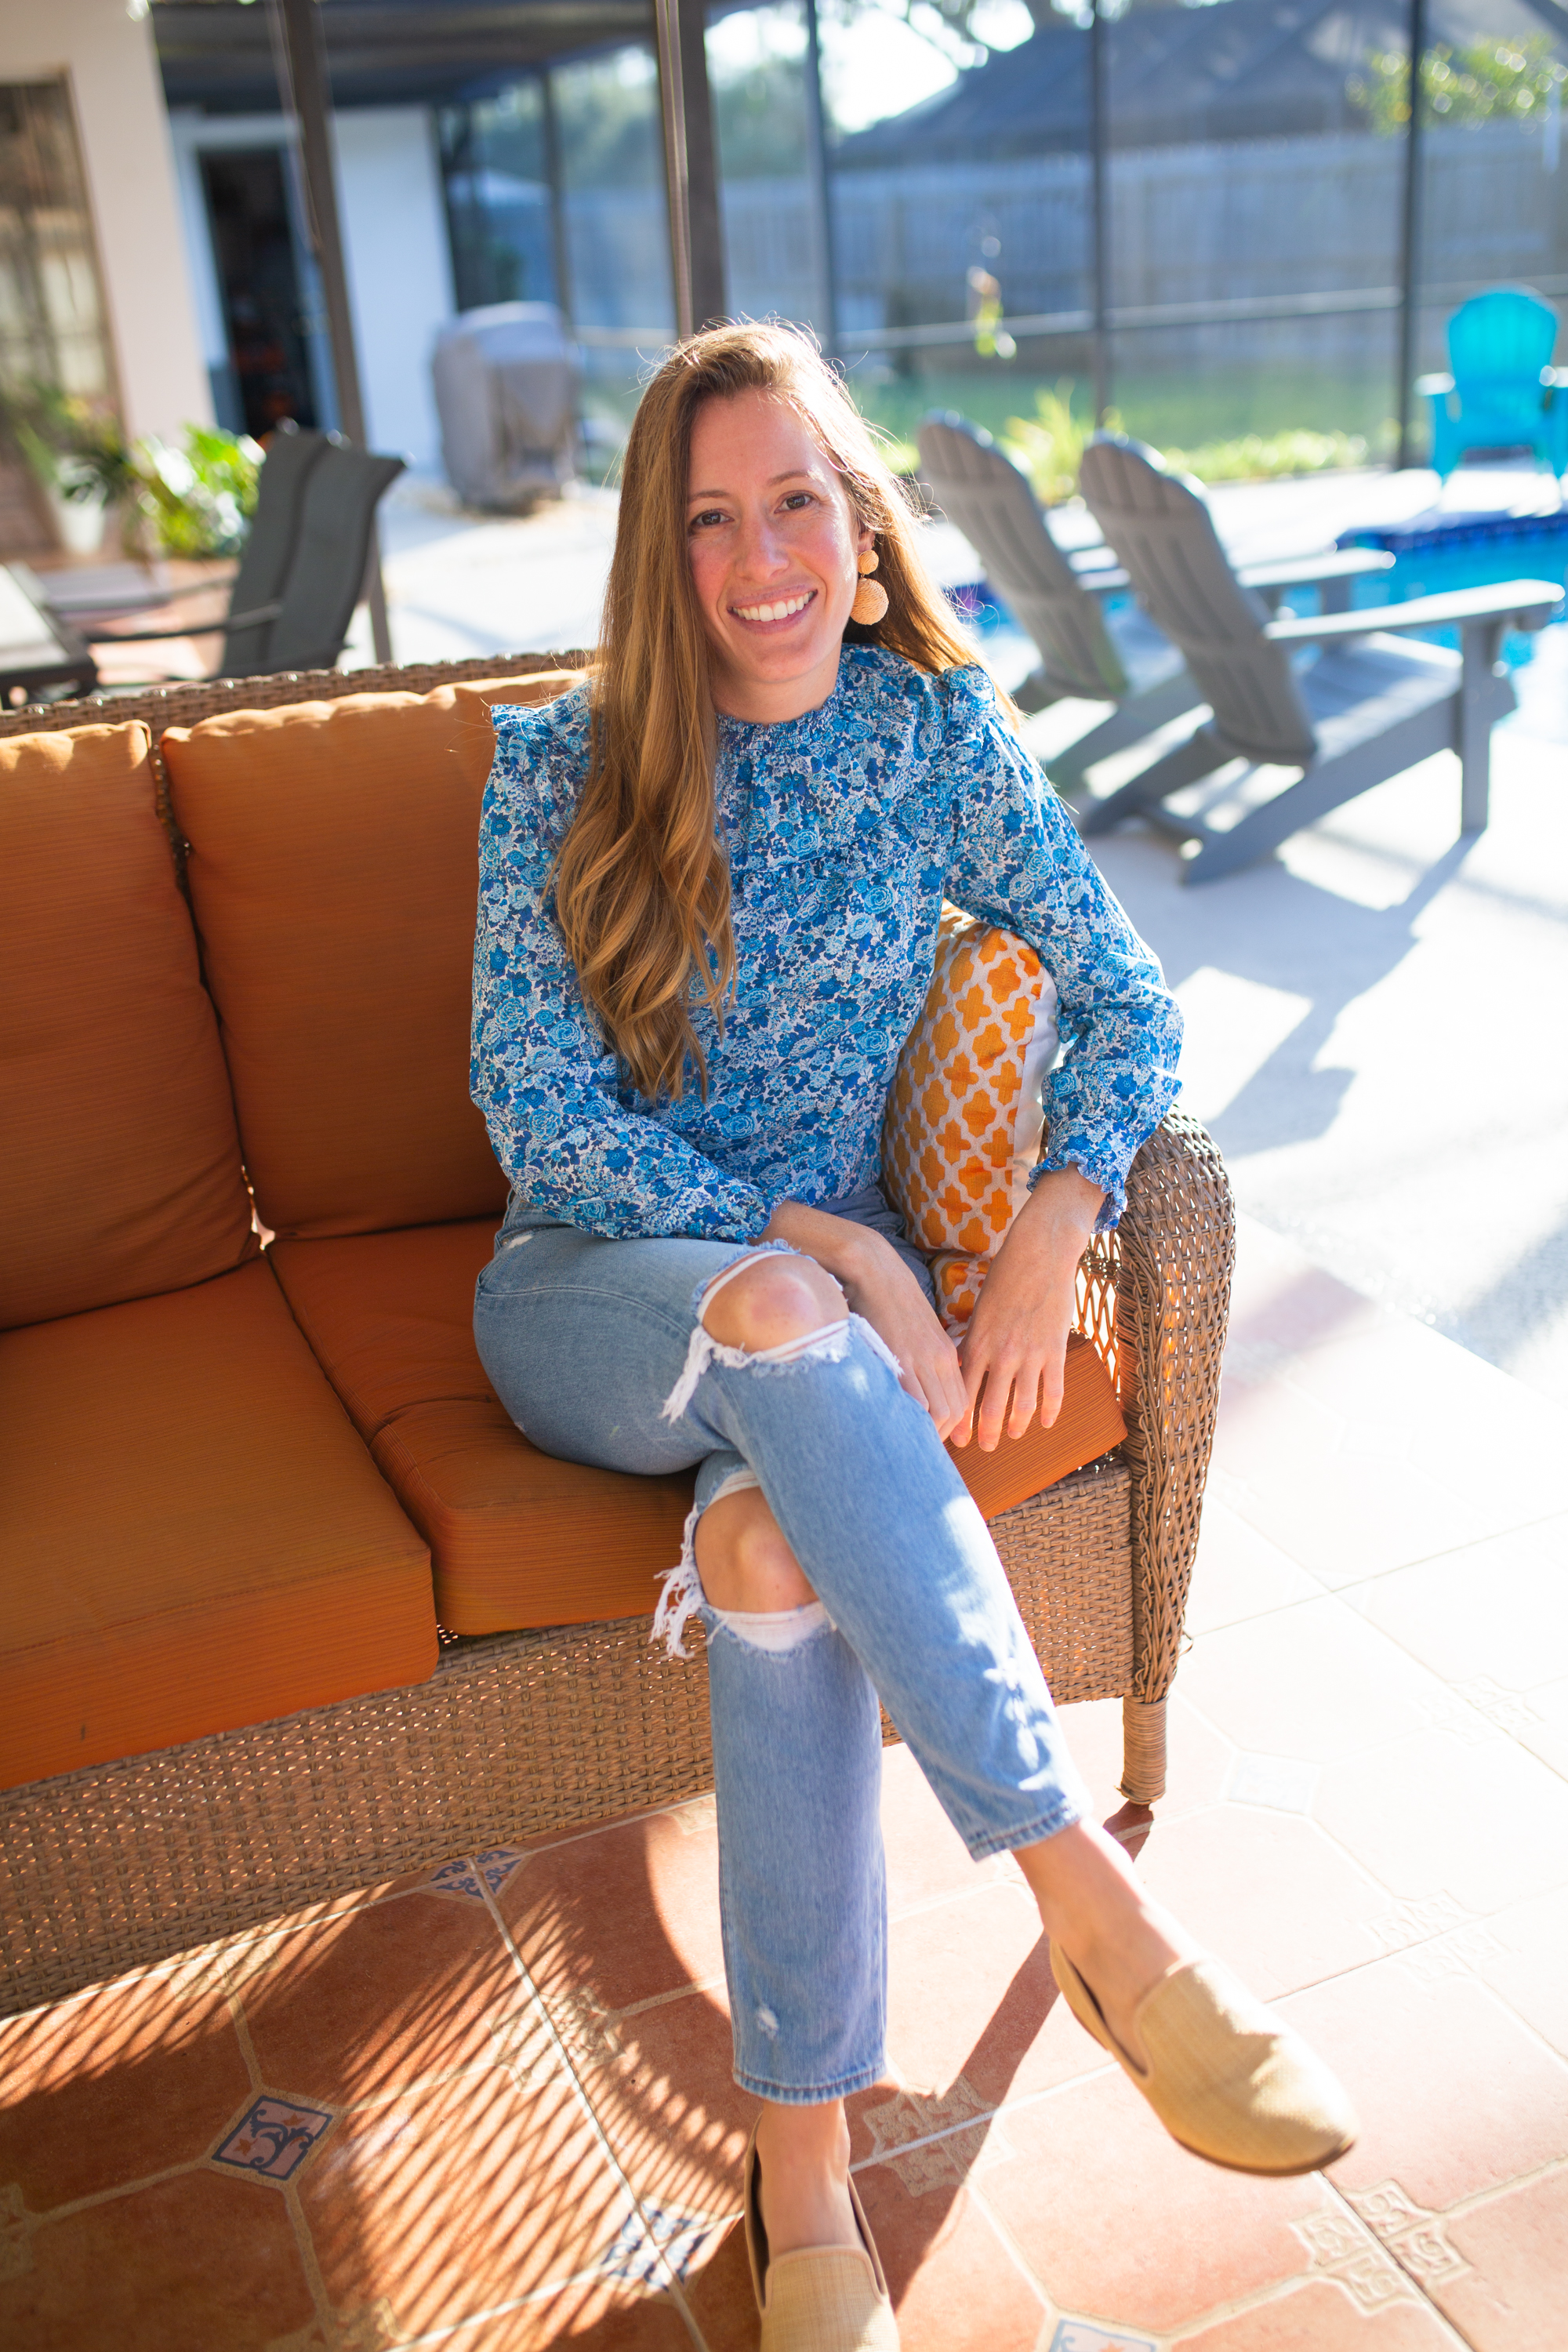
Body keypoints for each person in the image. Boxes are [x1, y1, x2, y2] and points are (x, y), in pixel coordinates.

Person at [470, 322, 1356, 2352]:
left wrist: (1055, 1223)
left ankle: (808, 2209)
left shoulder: (932, 744)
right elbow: (540, 1107)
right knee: (789, 1305)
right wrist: (852, 1263)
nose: (759, 555)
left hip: (795, 1381)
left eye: (799, 500)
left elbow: (1129, 1005)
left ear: (862, 533)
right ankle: (1093, 1905)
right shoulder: (559, 763)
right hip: (597, 1297)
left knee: (774, 1563)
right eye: (709, 517)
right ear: (658, 553)